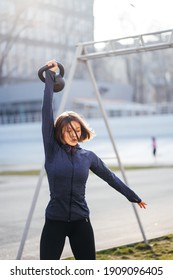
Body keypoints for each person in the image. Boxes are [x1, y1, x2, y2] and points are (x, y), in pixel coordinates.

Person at [40, 59, 147, 260]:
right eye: (69, 130)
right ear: (59, 132)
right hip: (55, 220)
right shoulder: (52, 151)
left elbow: (110, 177)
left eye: (77, 130)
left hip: (81, 221)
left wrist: (133, 196)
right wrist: (49, 76)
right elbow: (47, 112)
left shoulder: (87, 157)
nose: (73, 134)